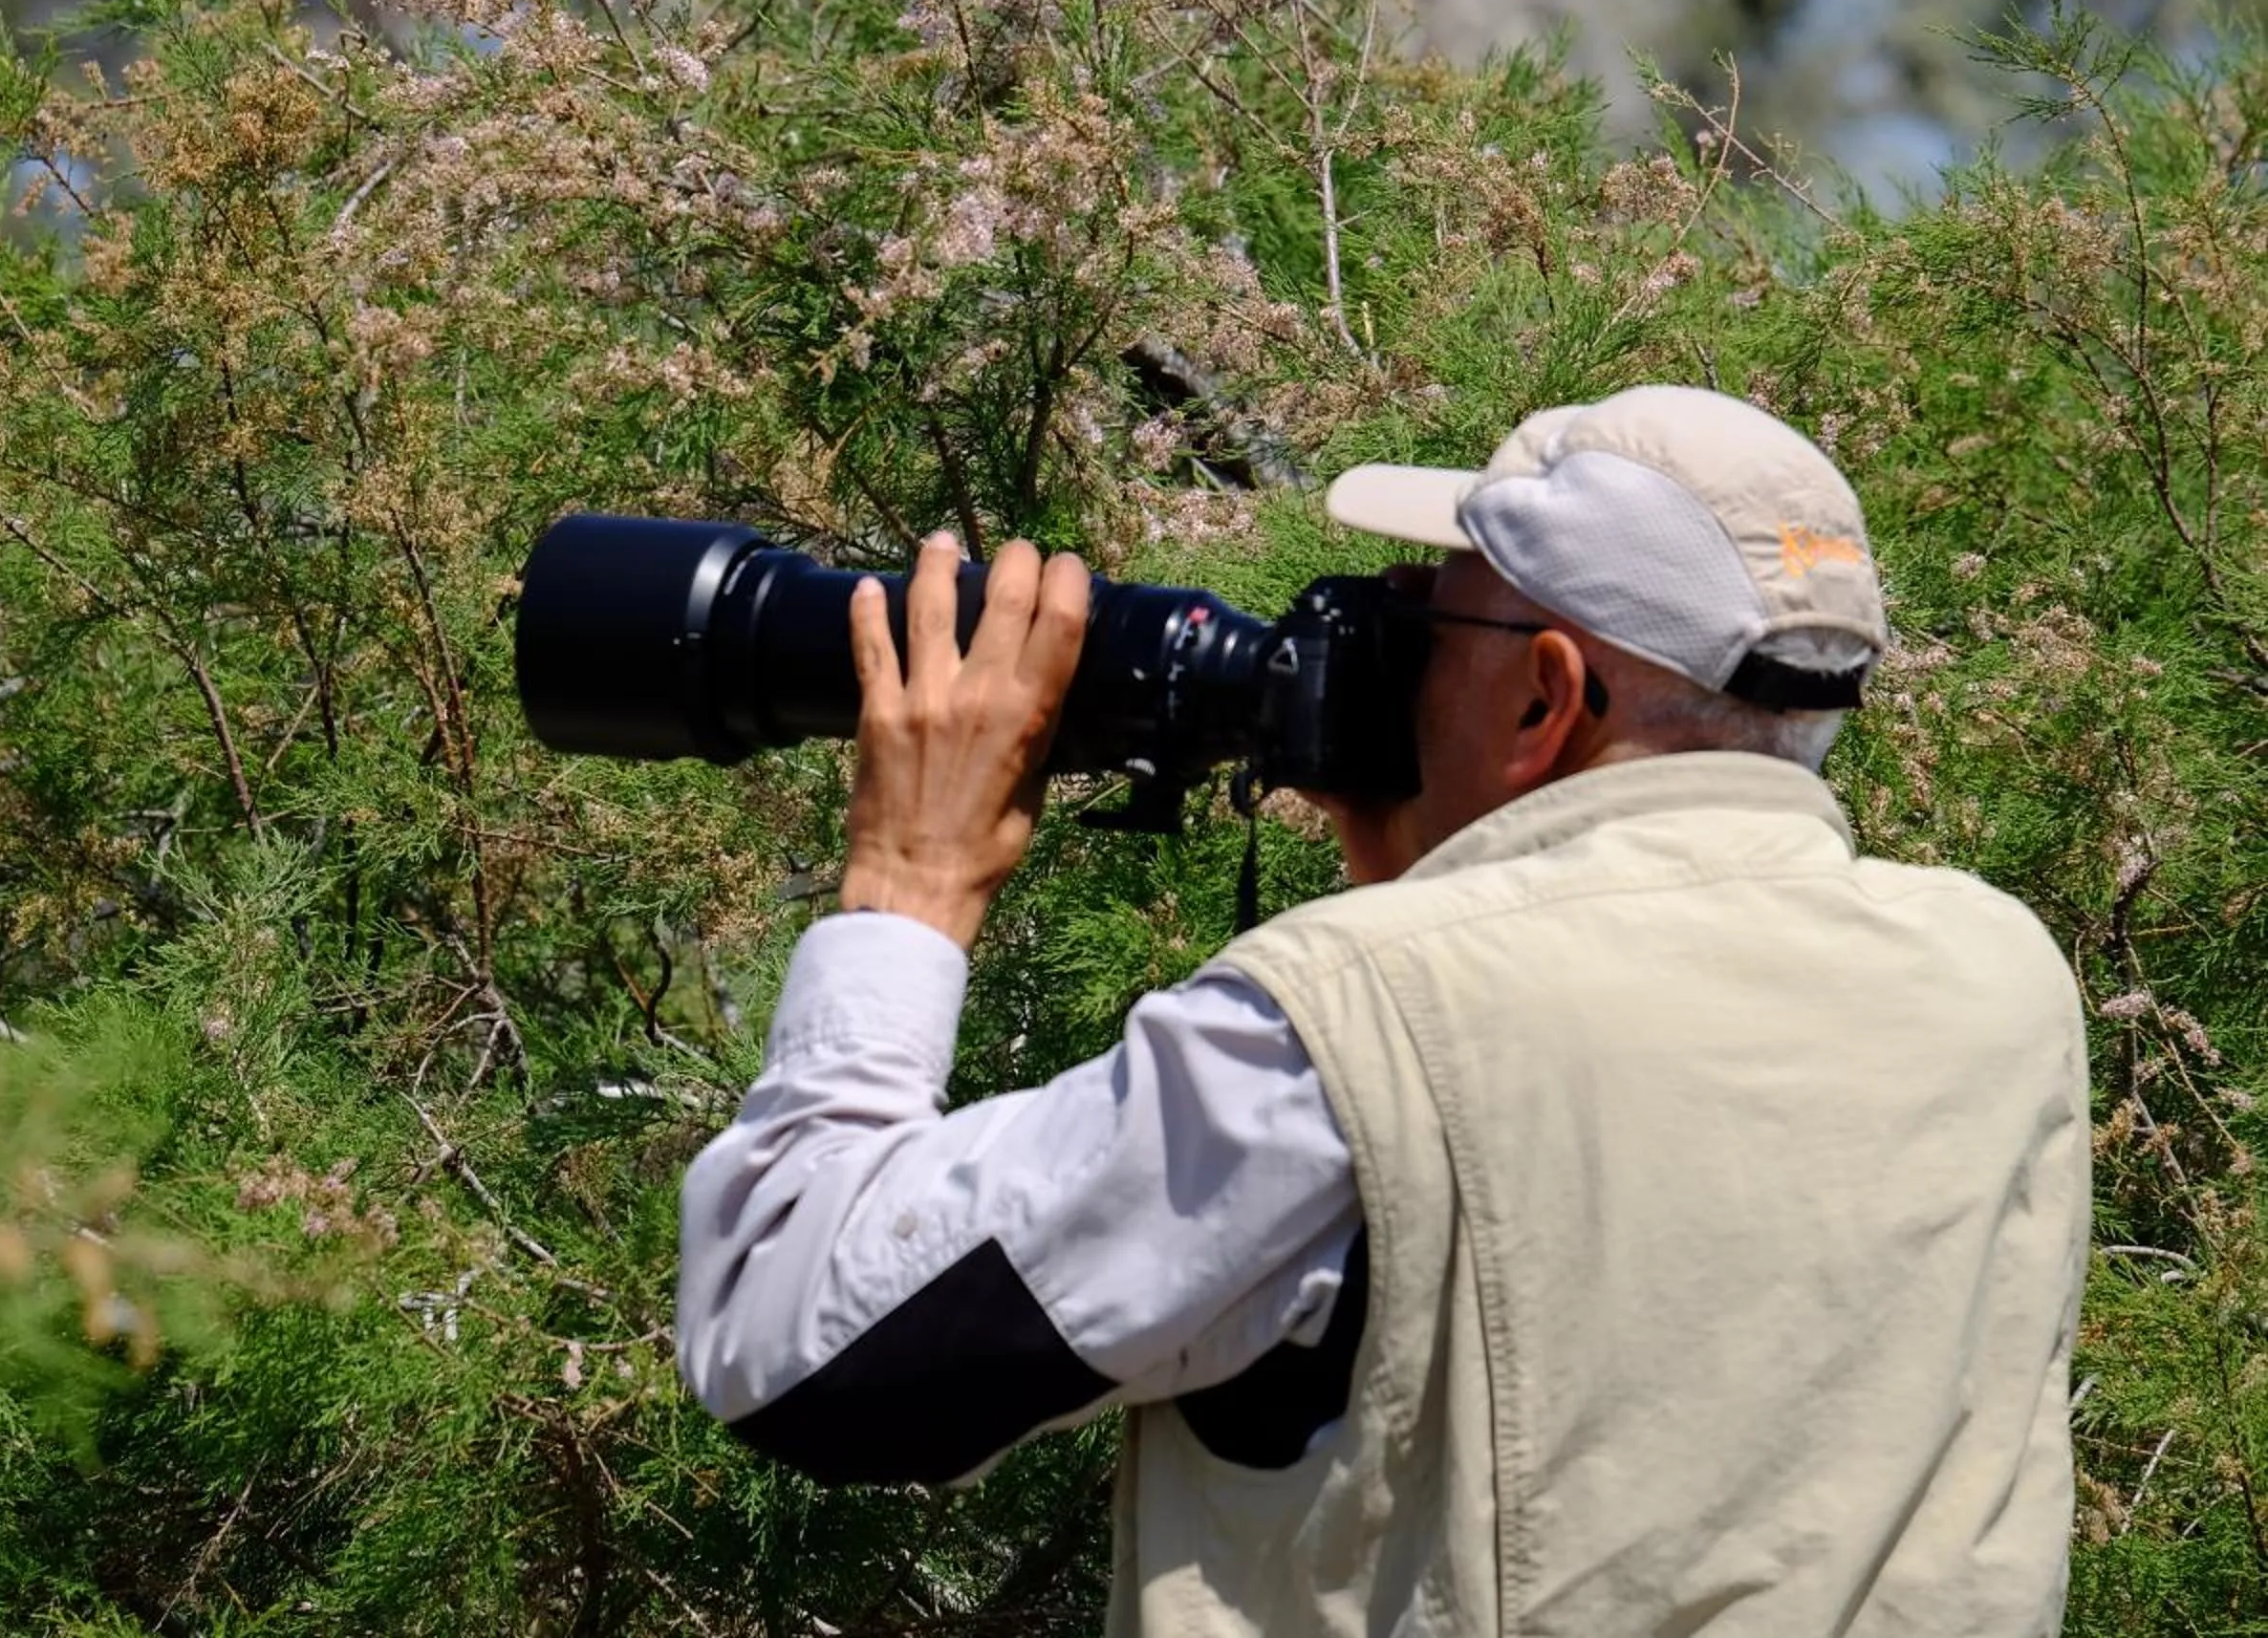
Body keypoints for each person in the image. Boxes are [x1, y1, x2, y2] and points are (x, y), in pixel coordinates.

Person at [675, 384, 2090, 1636]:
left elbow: (791, 1341)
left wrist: (910, 883)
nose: (1377, 649)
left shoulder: (1364, 1020)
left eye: (1423, 622)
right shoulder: (1997, 979)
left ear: (1543, 700)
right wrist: (1438, 863)